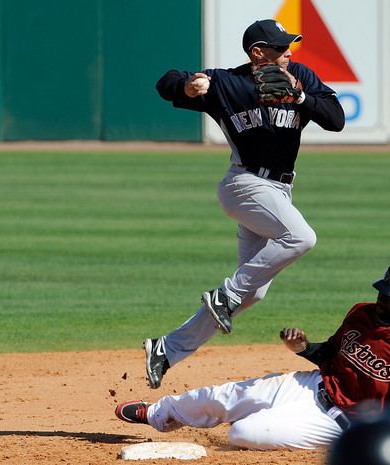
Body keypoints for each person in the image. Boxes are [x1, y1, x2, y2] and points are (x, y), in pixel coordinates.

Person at [144, 18, 345, 389]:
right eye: (281, 48)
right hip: (245, 184)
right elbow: (165, 81)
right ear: (257, 53)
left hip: (279, 191)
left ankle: (166, 349)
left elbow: (336, 120)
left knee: (253, 293)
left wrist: (299, 97)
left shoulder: (299, 75)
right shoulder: (227, 84)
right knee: (301, 237)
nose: (289, 53)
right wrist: (188, 86)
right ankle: (227, 294)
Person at [116, 260, 390, 453]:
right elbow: (331, 355)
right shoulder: (361, 313)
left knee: (243, 433)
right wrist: (303, 348)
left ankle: (274, 422)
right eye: (382, 293)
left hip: (341, 424)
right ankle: (158, 413)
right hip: (312, 385)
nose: (382, 300)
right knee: (228, 395)